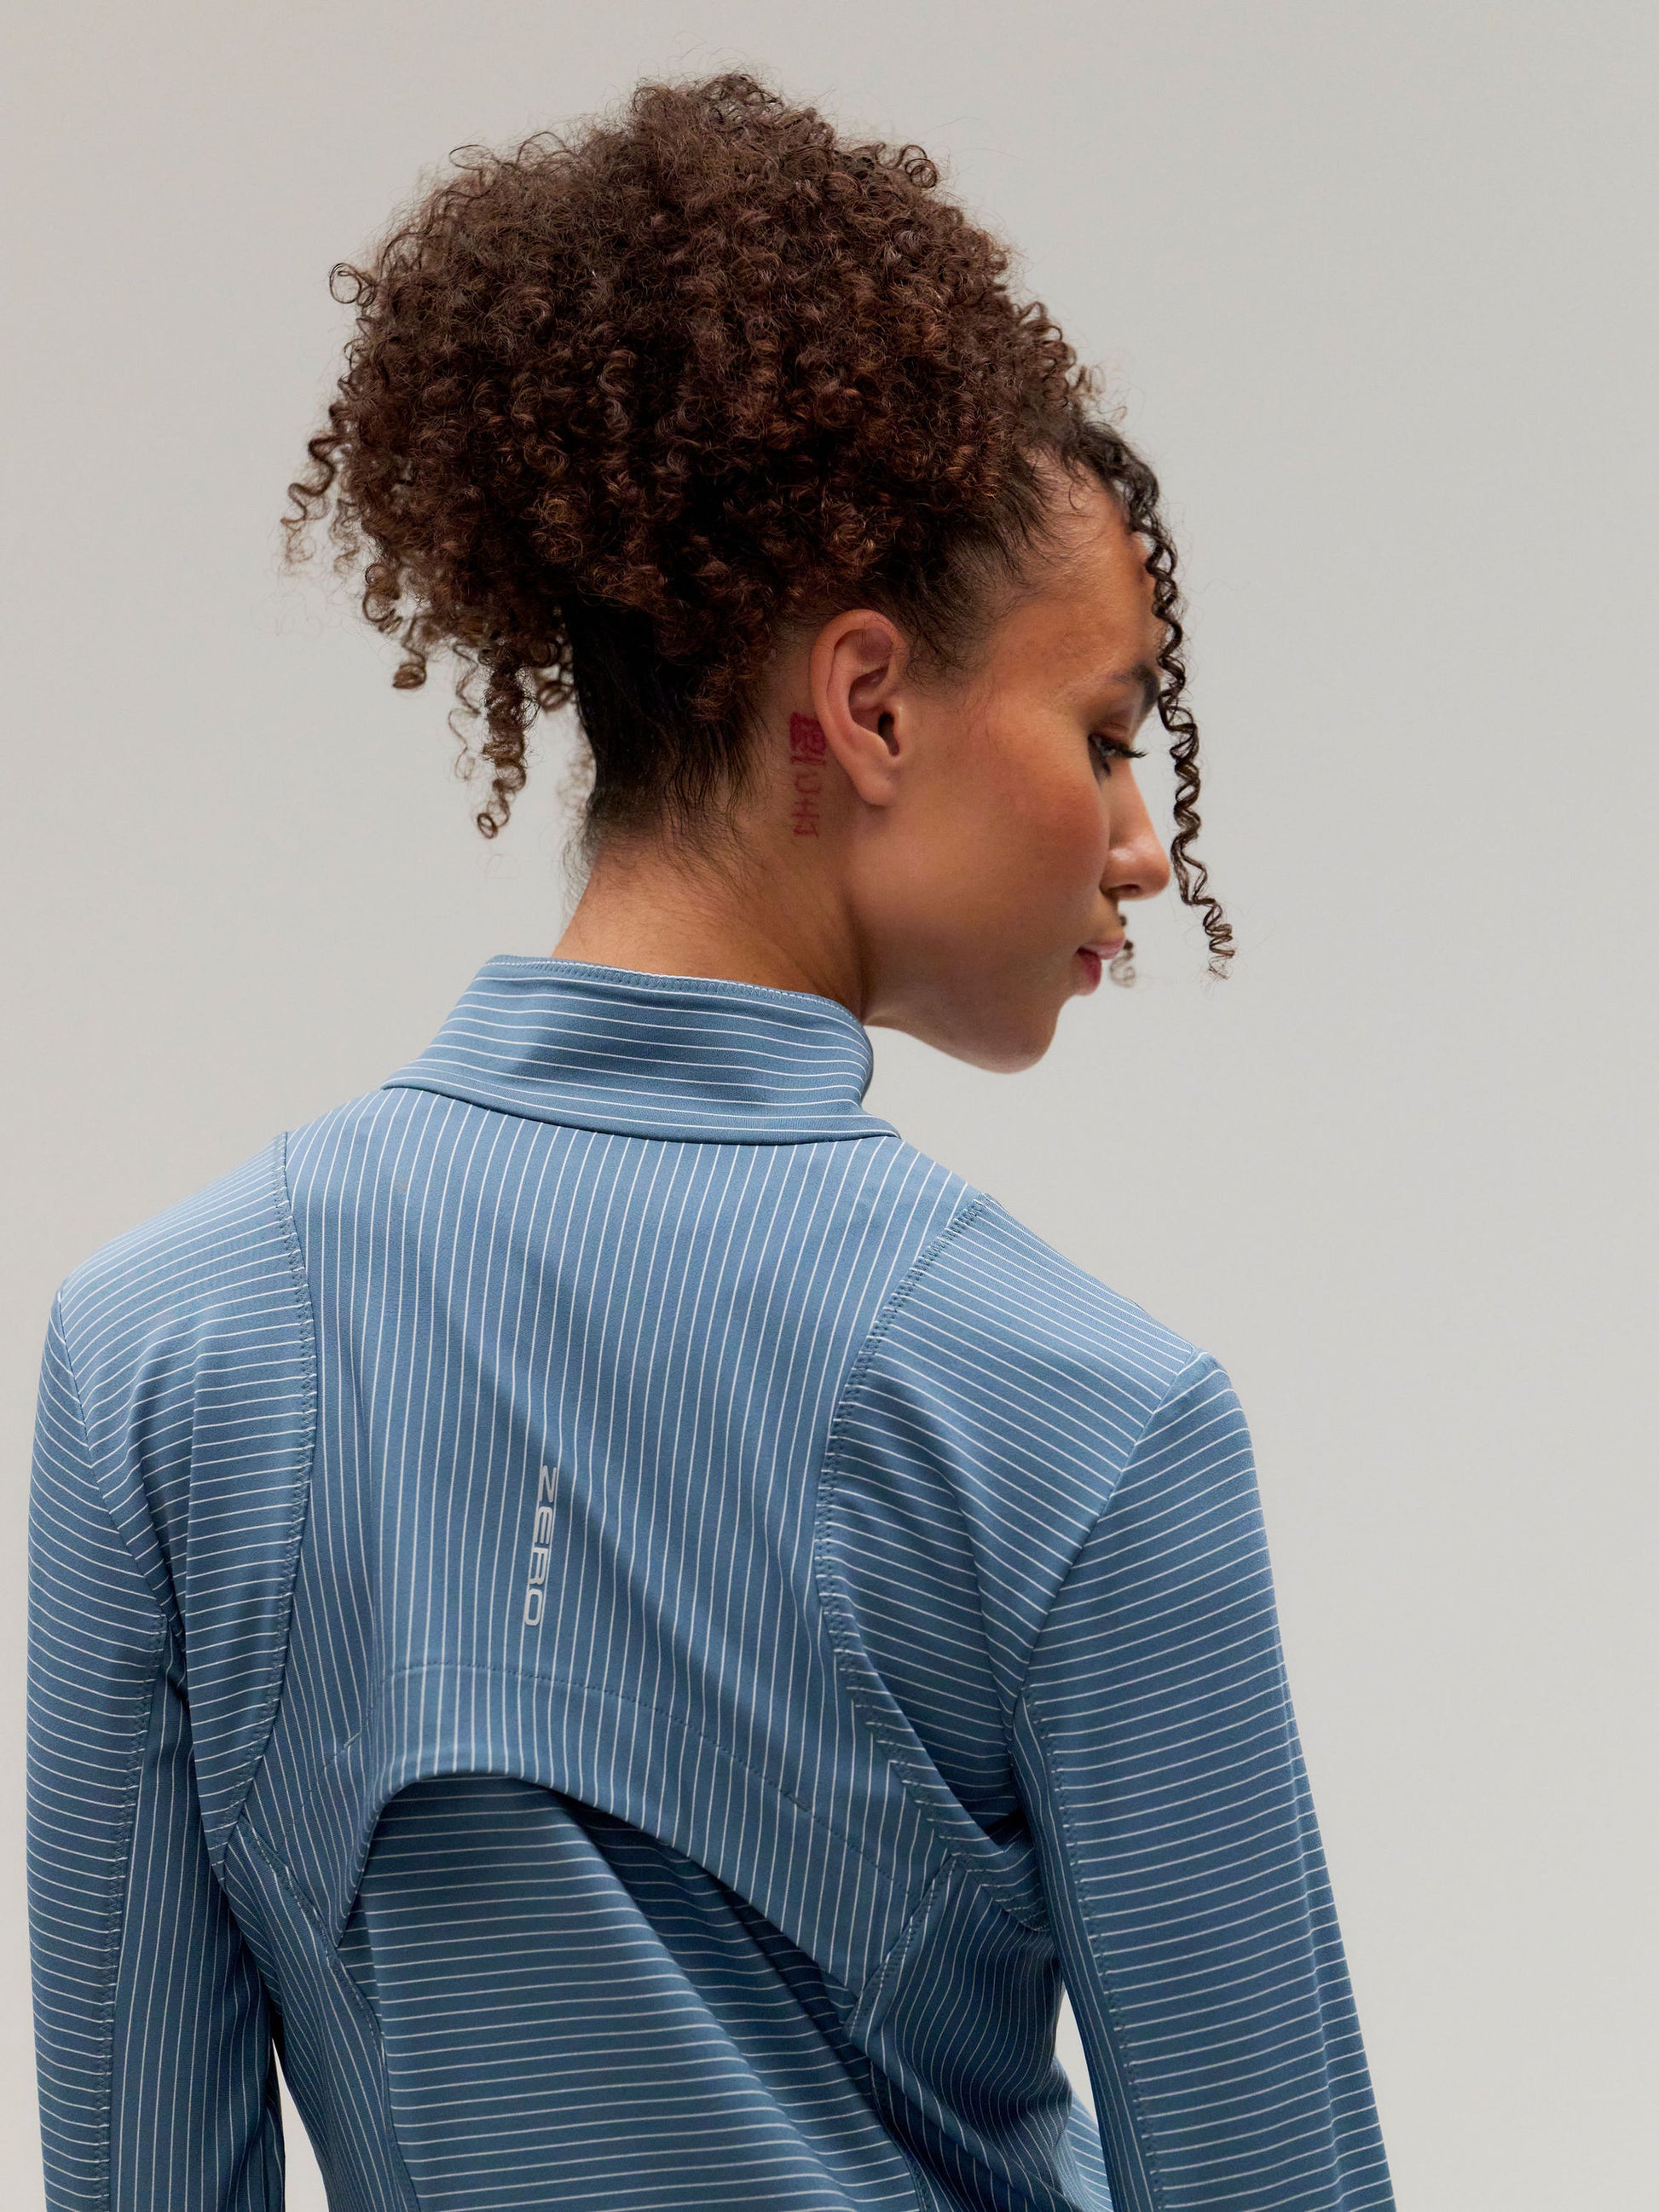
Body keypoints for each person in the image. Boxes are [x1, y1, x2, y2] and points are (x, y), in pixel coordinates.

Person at [26, 70, 1394, 2212]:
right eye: (1107, 733)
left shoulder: (157, 1365)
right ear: (867, 703)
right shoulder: (1082, 1423)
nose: (1141, 842)